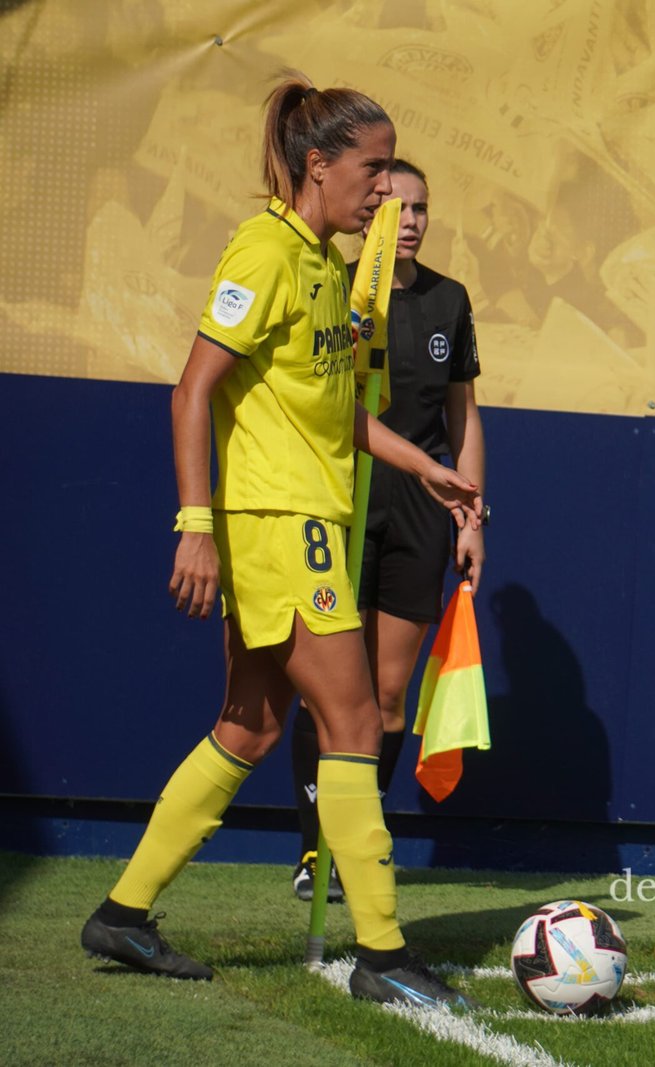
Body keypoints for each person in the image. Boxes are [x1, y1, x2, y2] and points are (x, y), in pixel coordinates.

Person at [79, 74, 480, 1010]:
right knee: (351, 724)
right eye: (374, 169)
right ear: (319, 165)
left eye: (390, 171)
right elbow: (191, 390)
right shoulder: (263, 252)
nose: (385, 190)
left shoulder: (326, 266)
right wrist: (195, 525)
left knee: (252, 725)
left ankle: (124, 911)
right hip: (277, 529)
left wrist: (426, 469)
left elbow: (332, 416)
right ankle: (382, 954)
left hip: (309, 524)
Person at [289, 158, 486, 901]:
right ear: (369, 213)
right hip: (339, 495)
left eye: (421, 210)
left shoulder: (449, 299)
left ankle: (362, 829)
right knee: (331, 690)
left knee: (390, 694)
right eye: (396, 208)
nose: (409, 222)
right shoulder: (332, 287)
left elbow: (463, 417)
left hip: (419, 502)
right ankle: (319, 852)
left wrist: (472, 511)